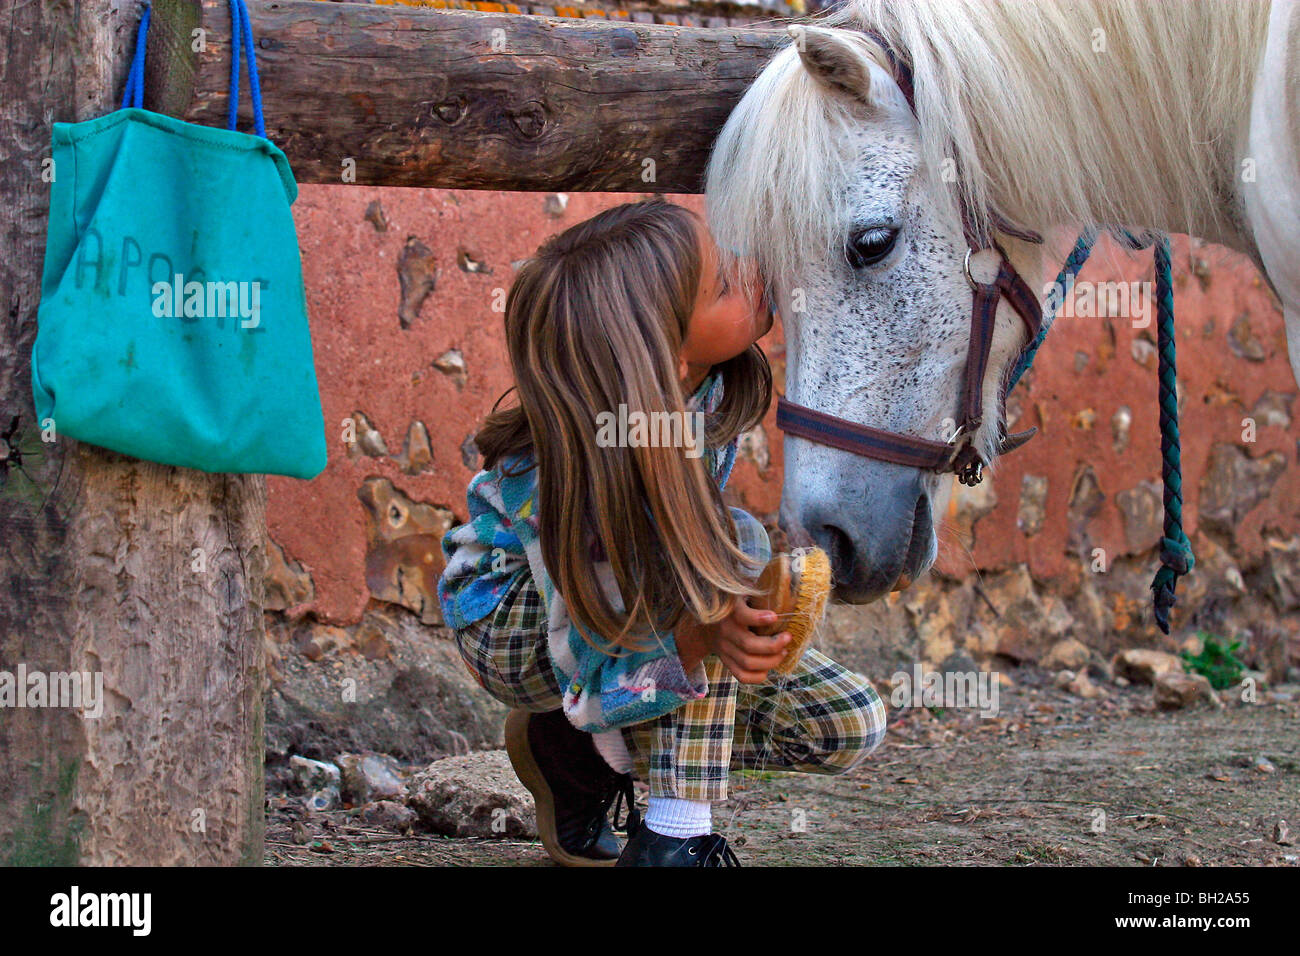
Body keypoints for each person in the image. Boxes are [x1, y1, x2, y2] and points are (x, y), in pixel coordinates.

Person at [437, 198, 886, 867]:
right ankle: (673, 842)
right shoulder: (584, 478)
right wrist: (708, 631)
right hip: (515, 625)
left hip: (622, 620)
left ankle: (573, 756)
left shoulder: (695, 399)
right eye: (727, 284)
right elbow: (596, 667)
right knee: (710, 571)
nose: (751, 270)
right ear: (670, 354)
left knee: (845, 721)